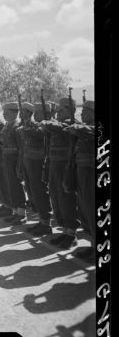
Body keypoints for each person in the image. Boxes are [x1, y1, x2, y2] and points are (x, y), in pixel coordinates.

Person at [39, 97, 79, 248]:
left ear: (73, 110)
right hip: (54, 166)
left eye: (63, 109)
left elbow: (58, 127)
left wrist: (47, 123)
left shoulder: (73, 124)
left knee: (67, 200)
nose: (59, 112)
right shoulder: (57, 125)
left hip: (66, 168)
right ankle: (64, 231)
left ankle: (72, 234)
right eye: (58, 109)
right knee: (56, 199)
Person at [64, 99, 95, 261]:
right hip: (80, 174)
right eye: (81, 113)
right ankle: (92, 246)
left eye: (85, 112)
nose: (82, 115)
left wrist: (77, 127)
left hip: (91, 176)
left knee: (92, 210)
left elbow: (90, 131)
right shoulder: (82, 131)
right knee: (84, 211)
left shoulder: (90, 129)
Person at [20, 101, 53, 237]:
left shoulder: (48, 126)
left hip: (40, 163)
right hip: (31, 162)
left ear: (48, 113)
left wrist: (26, 129)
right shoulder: (34, 125)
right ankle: (42, 221)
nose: (37, 115)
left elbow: (39, 133)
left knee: (40, 192)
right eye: (36, 112)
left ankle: (47, 224)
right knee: (33, 191)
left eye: (40, 112)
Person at [0, 102, 27, 224]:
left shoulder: (17, 126)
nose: (4, 115)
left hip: (15, 160)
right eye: (3, 113)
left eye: (6, 113)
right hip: (6, 159)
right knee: (10, 186)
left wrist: (19, 163)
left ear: (14, 113)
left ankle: (22, 214)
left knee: (17, 186)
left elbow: (21, 147)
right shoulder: (7, 126)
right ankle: (15, 212)